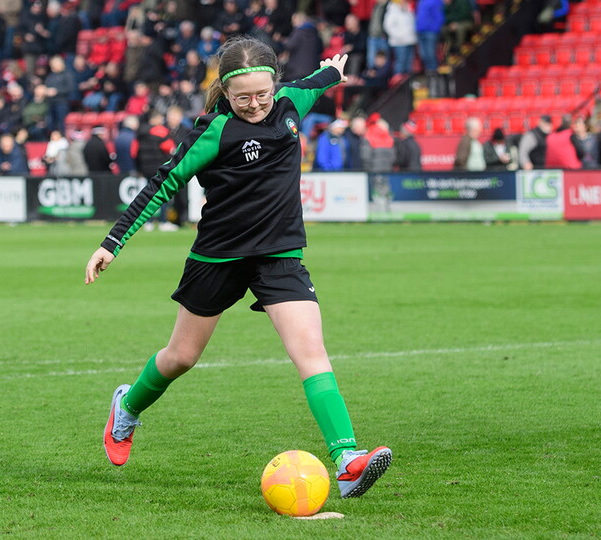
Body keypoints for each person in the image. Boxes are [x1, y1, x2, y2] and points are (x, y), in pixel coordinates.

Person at [84, 39, 392, 499]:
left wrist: (334, 71)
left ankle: (347, 462)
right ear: (225, 92)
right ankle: (127, 406)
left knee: (311, 353)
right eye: (242, 97)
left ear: (275, 85)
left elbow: (318, 81)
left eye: (263, 94)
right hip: (218, 257)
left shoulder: (290, 103)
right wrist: (113, 242)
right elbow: (162, 183)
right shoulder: (214, 130)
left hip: (279, 256)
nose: (255, 104)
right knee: (181, 357)